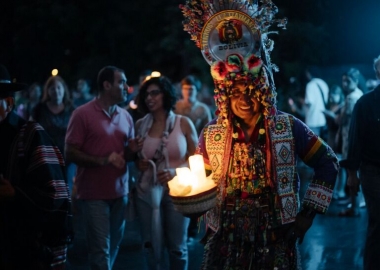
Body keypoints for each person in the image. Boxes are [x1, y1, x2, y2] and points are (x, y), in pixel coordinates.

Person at [180, 0, 339, 269]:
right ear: (225, 98)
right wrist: (194, 206)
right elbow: (200, 180)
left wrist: (307, 214)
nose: (244, 99)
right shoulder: (212, 133)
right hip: (226, 237)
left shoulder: (288, 127)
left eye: (251, 92)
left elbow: (329, 163)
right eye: (236, 93)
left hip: (277, 233)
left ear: (263, 94)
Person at [65, 66, 143, 270]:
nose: (126, 87)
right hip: (93, 193)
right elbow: (70, 152)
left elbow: (124, 156)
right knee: (100, 249)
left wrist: (131, 151)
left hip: (120, 191)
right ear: (107, 85)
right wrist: (103, 160)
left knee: (114, 244)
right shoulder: (82, 114)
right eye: (121, 82)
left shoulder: (126, 117)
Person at [0, 64, 72, 269]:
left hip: (24, 246)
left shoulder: (30, 135)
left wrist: (15, 193)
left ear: (8, 103)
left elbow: (55, 195)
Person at [134, 76, 198, 269]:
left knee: (177, 247)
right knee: (150, 246)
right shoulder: (141, 125)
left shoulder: (183, 123)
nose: (149, 98)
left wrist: (176, 171)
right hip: (146, 192)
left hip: (178, 192)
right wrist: (139, 162)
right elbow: (137, 157)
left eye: (155, 93)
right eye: (146, 94)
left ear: (166, 95)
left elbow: (199, 160)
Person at [340, 55, 380, 270]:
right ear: (378, 74)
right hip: (373, 171)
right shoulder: (365, 103)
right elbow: (355, 140)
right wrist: (352, 175)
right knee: (378, 221)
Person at [31, 75, 76, 192]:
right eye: (52, 88)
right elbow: (31, 130)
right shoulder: (39, 109)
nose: (56, 91)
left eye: (58, 88)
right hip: (46, 157)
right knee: (48, 191)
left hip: (67, 158)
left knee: (67, 191)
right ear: (47, 91)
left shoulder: (71, 109)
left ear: (63, 90)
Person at [336, 68, 364, 216]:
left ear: (356, 81)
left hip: (350, 139)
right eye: (344, 80)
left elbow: (344, 120)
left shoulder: (352, 98)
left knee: (352, 174)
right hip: (354, 139)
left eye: (348, 81)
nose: (345, 83)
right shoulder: (359, 95)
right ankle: (354, 203)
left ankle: (355, 207)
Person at [289, 68, 329, 138]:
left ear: (309, 73)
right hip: (323, 119)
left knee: (313, 145)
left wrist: (298, 100)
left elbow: (309, 102)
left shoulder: (310, 85)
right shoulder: (323, 83)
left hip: (313, 120)